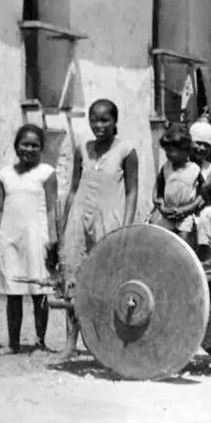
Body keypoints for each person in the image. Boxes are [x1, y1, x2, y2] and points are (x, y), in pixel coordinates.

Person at [57, 98, 139, 363]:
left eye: (105, 120)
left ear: (115, 121)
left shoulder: (126, 151)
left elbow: (132, 191)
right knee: (74, 280)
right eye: (94, 120)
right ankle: (70, 343)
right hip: (79, 219)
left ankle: (105, 344)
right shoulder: (83, 147)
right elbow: (73, 189)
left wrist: (126, 227)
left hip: (109, 221)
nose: (99, 125)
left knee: (107, 281)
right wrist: (64, 225)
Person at [0, 124, 59, 354]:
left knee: (39, 292)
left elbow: (52, 209)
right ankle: (13, 343)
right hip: (10, 238)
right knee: (13, 291)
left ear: (42, 148)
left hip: (37, 237)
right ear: (16, 147)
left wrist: (53, 238)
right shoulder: (4, 175)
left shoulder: (47, 173)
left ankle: (40, 342)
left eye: (35, 145)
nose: (29, 149)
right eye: (25, 144)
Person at [152, 122, 203, 244]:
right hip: (167, 213)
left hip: (185, 214)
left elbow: (202, 194)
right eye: (167, 151)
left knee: (183, 240)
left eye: (172, 151)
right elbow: (158, 189)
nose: (169, 154)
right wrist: (161, 206)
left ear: (186, 150)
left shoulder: (194, 170)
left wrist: (187, 209)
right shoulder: (166, 168)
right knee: (161, 238)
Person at [189, 114, 211, 183]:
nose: (202, 148)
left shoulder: (209, 168)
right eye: (198, 143)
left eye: (207, 145)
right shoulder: (177, 166)